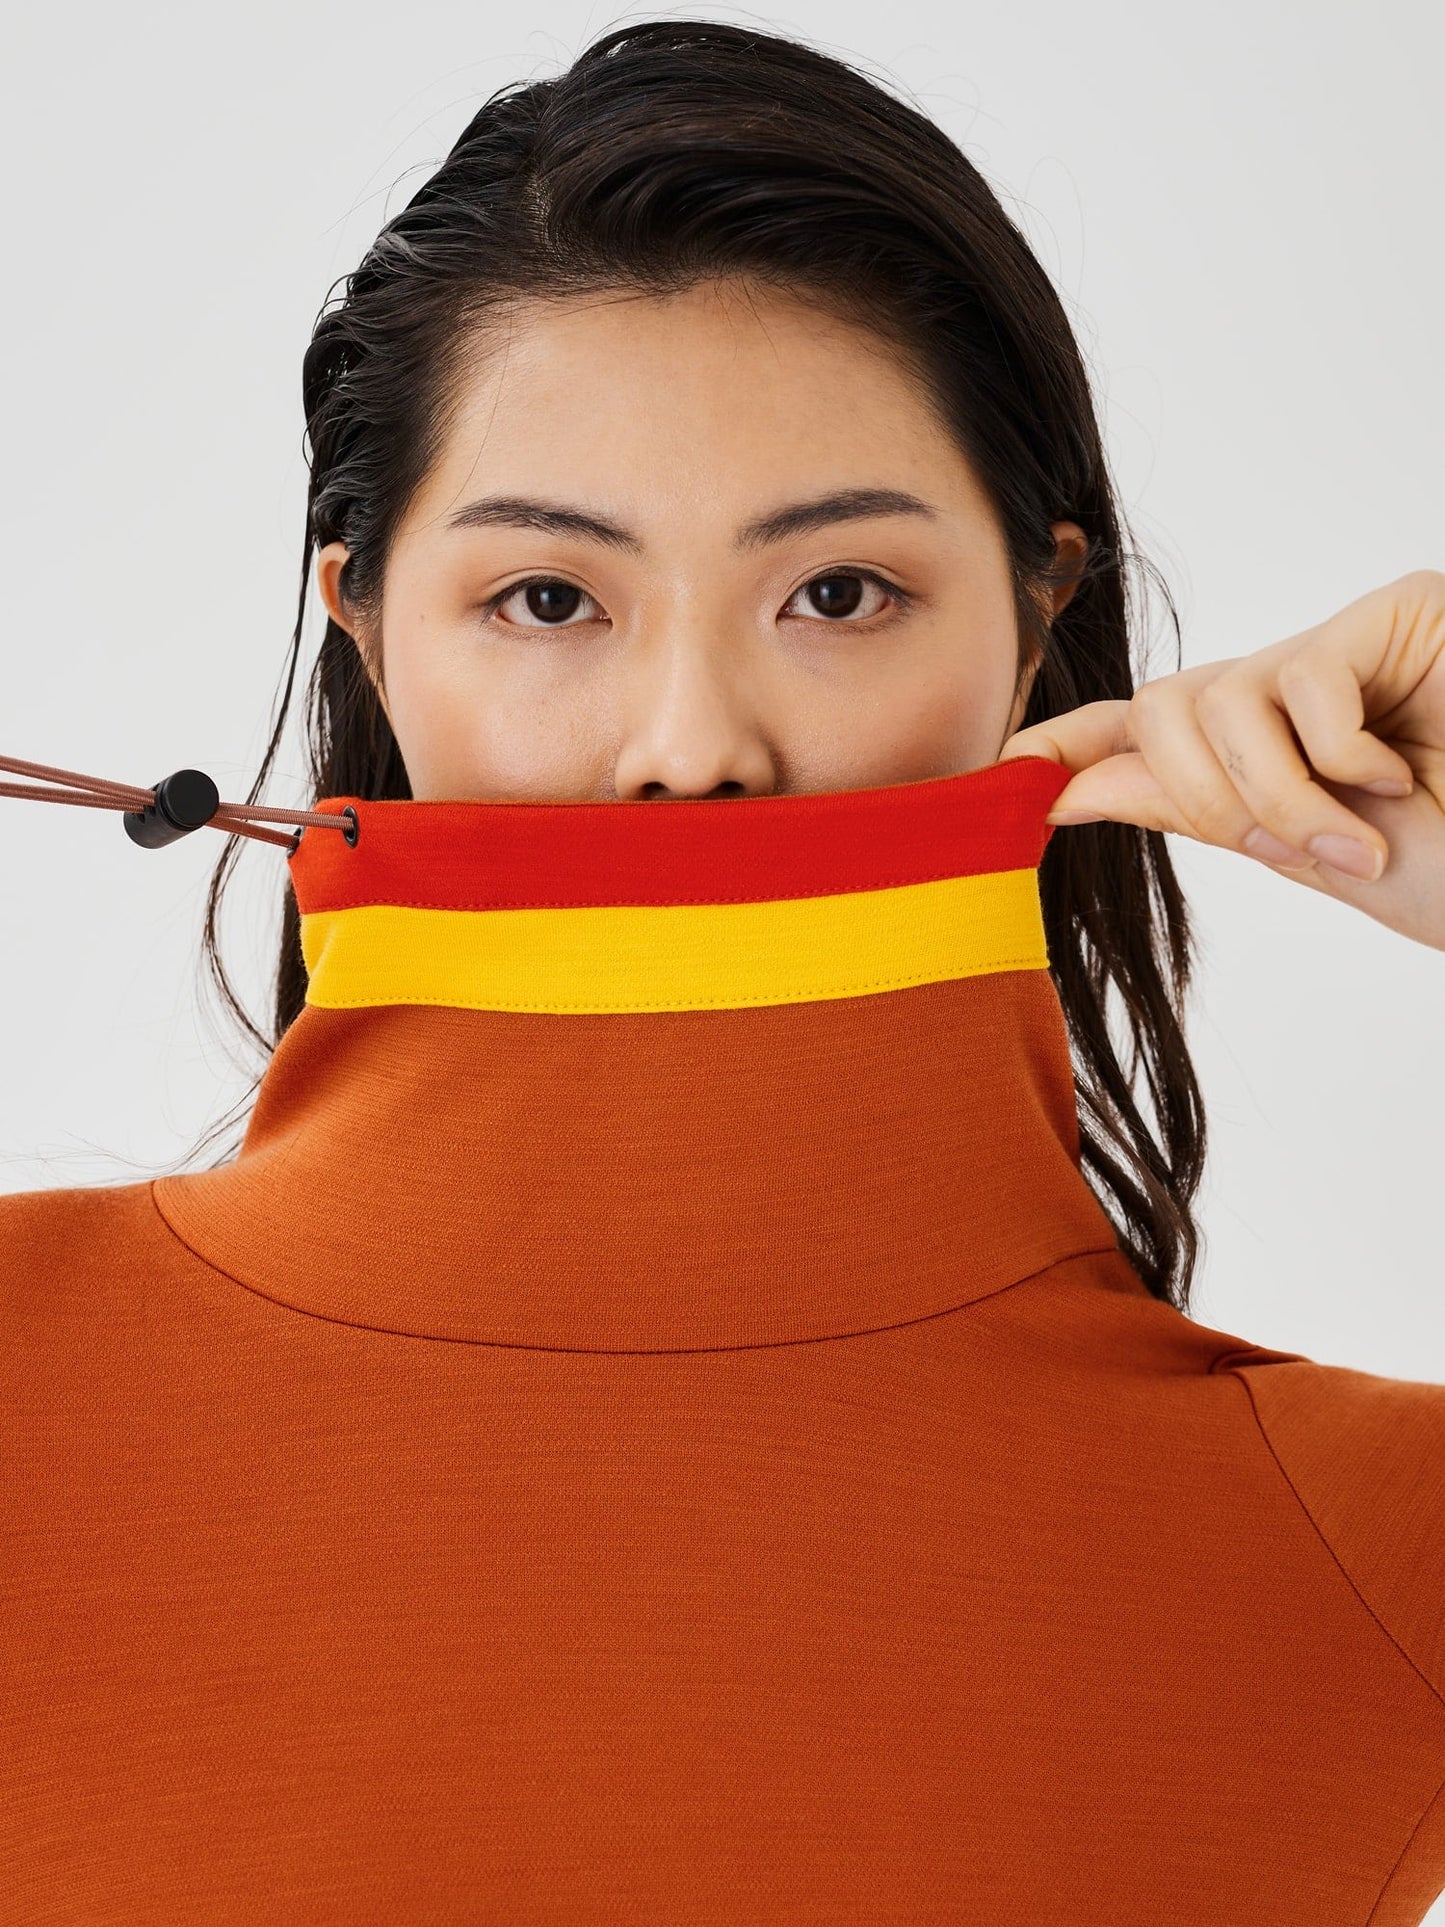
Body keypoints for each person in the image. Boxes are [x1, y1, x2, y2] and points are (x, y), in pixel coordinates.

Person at [3, 20, 1442, 1924]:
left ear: (1039, 615)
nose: (690, 746)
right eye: (547, 599)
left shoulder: (1372, 1544)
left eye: (835, 595)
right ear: (362, 622)